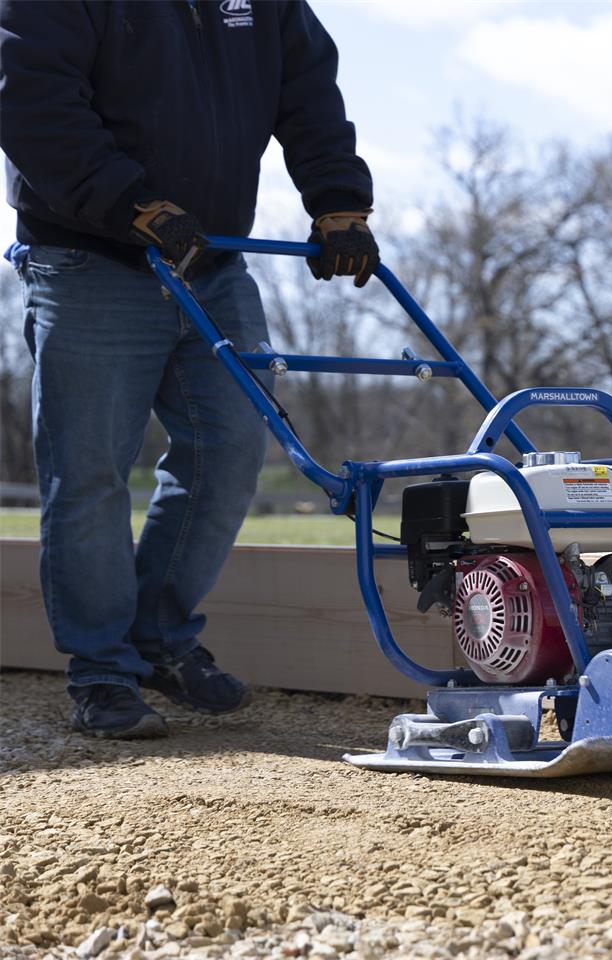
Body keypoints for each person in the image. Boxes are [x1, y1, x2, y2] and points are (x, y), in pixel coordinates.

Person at [0, 0, 380, 738]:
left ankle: (160, 639)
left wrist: (337, 200)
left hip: (213, 260)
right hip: (92, 258)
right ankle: (103, 673)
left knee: (233, 448)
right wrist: (126, 202)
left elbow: (306, 88)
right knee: (89, 473)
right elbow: (30, 98)